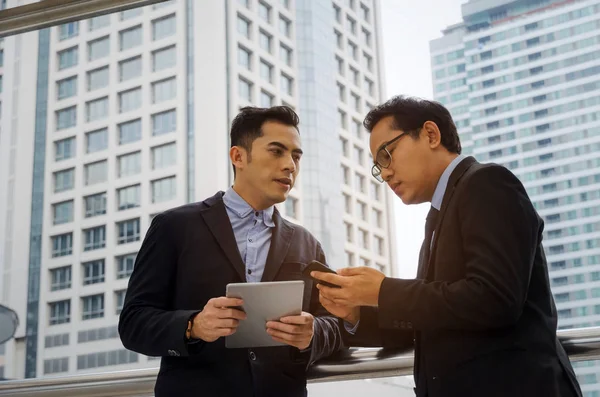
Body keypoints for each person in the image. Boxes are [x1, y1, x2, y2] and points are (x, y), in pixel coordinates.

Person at [313, 96, 582, 397]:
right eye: (378, 167)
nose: (385, 173)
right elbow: (430, 320)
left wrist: (383, 291)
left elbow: (494, 299)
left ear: (430, 134)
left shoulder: (487, 184)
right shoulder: (438, 216)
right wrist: (356, 314)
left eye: (387, 154)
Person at [119, 106, 343, 397]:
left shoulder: (306, 242)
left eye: (296, 156)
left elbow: (337, 324)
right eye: (277, 151)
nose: (290, 165)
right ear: (238, 157)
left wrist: (313, 334)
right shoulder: (174, 227)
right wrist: (194, 325)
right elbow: (134, 323)